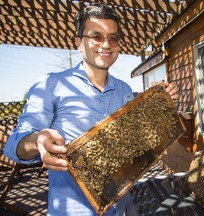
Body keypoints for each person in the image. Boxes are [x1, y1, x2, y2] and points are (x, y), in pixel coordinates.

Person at [4, 3, 179, 216]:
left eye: (113, 38)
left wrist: (162, 105)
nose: (106, 44)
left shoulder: (123, 89)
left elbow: (136, 138)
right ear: (79, 43)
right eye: (96, 36)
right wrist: (37, 139)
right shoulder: (50, 85)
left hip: (120, 206)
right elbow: (13, 146)